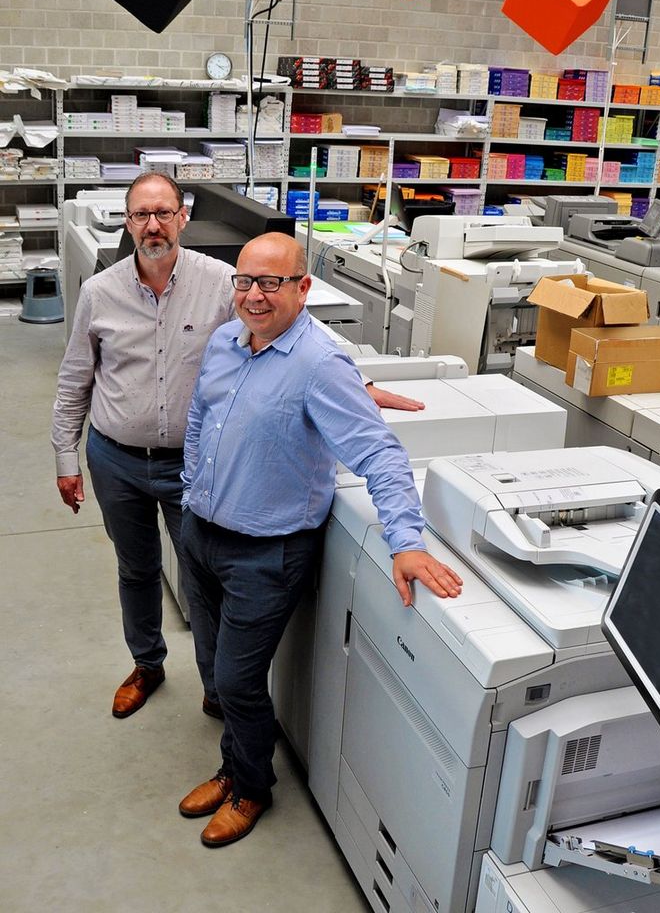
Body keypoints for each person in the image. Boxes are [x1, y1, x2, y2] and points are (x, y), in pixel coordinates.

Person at [51, 173, 425, 722]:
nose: (152, 225)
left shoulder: (225, 282)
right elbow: (73, 381)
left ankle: (218, 685)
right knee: (135, 569)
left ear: (183, 216)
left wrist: (355, 384)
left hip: (193, 466)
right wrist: (66, 458)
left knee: (202, 585)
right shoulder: (99, 292)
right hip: (117, 458)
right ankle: (147, 663)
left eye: (163, 213)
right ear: (127, 223)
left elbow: (278, 336)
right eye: (140, 215)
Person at [177, 232, 463, 847]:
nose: (254, 295)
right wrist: (190, 488)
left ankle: (251, 787)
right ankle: (231, 768)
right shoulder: (227, 341)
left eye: (271, 283)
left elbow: (379, 455)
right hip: (200, 533)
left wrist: (406, 542)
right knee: (211, 663)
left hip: (266, 553)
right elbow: (201, 416)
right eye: (244, 281)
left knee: (237, 681)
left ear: (302, 289)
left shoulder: (320, 364)